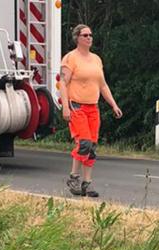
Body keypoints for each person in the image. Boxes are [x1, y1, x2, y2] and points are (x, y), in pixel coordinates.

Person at [60, 24, 122, 198]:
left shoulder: (96, 59)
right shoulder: (70, 58)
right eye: (85, 35)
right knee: (84, 143)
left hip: (92, 107)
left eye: (91, 35)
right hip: (76, 105)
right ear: (77, 38)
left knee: (92, 146)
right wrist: (65, 107)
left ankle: (87, 184)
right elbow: (63, 83)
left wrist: (113, 105)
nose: (89, 38)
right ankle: (73, 178)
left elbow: (102, 85)